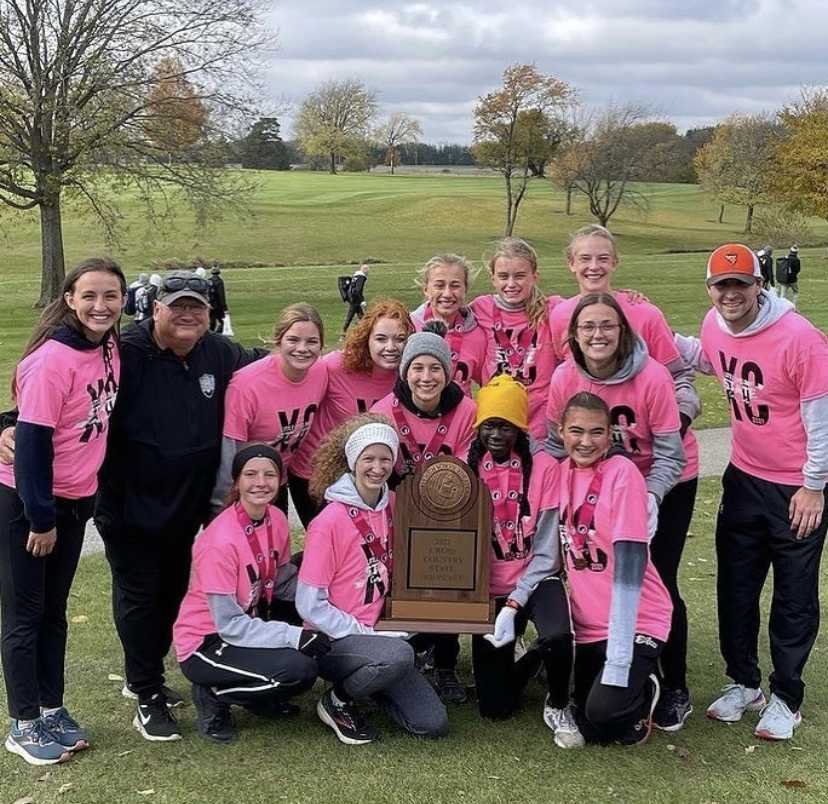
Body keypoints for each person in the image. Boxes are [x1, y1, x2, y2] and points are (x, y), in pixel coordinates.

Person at [93, 269, 267, 742]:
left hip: (187, 507)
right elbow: (70, 386)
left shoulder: (219, 352)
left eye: (198, 306)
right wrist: (10, 424)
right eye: (178, 306)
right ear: (156, 309)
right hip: (131, 504)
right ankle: (145, 690)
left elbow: (267, 368)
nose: (188, 314)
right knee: (141, 595)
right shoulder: (125, 353)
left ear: (210, 313)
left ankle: (145, 674)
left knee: (170, 592)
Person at [547, 225, 700, 731]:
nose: (597, 336)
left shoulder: (650, 375)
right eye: (587, 329)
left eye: (607, 328)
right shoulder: (567, 376)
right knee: (598, 575)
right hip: (598, 488)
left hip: (659, 481)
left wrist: (652, 496)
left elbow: (670, 452)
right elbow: (552, 443)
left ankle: (673, 685)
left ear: (623, 330)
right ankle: (615, 662)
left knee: (658, 579)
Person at [675, 243, 828, 741]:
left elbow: (820, 418)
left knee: (794, 594)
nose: (731, 293)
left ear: (759, 286)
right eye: (723, 284)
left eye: (742, 284)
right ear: (710, 288)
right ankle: (744, 682)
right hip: (743, 476)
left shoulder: (800, 338)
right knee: (736, 587)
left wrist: (814, 486)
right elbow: (709, 360)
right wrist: (647, 325)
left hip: (795, 486)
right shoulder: (713, 323)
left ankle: (787, 695)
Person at [0, 258, 125, 765]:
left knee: (54, 613)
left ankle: (51, 708)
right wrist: (42, 519)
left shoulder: (109, 346)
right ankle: (23, 723)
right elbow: (29, 445)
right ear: (70, 299)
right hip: (28, 504)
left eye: (111, 295)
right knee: (24, 615)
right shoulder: (54, 360)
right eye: (90, 295)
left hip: (74, 502)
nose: (101, 306)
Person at [296, 415, 449, 744]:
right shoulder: (329, 521)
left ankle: (374, 682)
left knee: (432, 724)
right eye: (368, 459)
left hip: (383, 634)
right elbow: (309, 605)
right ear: (353, 462)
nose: (377, 468)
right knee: (397, 656)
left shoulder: (394, 505)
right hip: (337, 639)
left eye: (385, 459)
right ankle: (337, 700)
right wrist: (366, 633)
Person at [174, 444, 325, 744]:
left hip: (250, 619)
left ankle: (259, 693)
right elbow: (229, 625)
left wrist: (329, 600)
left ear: (280, 481)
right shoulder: (219, 541)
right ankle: (214, 694)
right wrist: (295, 636)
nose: (260, 482)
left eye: (269, 474)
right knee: (299, 671)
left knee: (307, 652)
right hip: (208, 641)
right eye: (251, 474)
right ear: (237, 481)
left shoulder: (276, 519)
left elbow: (282, 583)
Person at [468, 376, 582, 748]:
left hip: (536, 579)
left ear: (520, 428)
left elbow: (548, 553)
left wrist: (516, 601)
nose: (496, 435)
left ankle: (560, 702)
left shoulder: (544, 467)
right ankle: (533, 658)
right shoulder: (463, 470)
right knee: (495, 709)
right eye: (489, 426)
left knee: (558, 635)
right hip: (488, 588)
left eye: (506, 426)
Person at [558, 392, 673, 746]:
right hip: (590, 626)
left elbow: (630, 570)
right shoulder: (561, 473)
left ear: (610, 435)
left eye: (596, 432)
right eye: (576, 431)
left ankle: (647, 683)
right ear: (561, 432)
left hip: (637, 619)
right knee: (585, 719)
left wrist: (620, 659)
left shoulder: (623, 474)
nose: (586, 442)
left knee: (603, 717)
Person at [371, 326, 477, 703]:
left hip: (446, 514)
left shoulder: (466, 410)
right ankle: (411, 654)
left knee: (446, 580)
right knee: (400, 586)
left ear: (447, 373)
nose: (426, 377)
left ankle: (446, 663)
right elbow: (372, 470)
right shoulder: (383, 411)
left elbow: (468, 467)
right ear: (405, 372)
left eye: (435, 368)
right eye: (417, 368)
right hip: (397, 515)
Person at [288, 299, 414, 527]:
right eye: (381, 339)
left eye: (400, 339)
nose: (391, 347)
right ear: (367, 339)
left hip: (370, 475)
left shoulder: (409, 376)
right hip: (316, 475)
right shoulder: (336, 366)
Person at [210, 303, 328, 520]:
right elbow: (229, 453)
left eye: (312, 341)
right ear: (278, 340)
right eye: (293, 340)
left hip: (280, 479)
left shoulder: (321, 372)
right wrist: (222, 509)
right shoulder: (247, 385)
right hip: (247, 487)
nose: (302, 348)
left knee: (277, 547)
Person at [469, 237, 562, 439]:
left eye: (520, 276)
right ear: (493, 278)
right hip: (497, 418)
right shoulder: (480, 308)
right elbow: (444, 311)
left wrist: (628, 298)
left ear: (534, 276)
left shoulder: (553, 309)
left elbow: (593, 306)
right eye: (503, 276)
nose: (511, 284)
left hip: (540, 420)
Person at [410, 254, 487, 396]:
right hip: (415, 416)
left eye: (455, 286)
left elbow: (488, 383)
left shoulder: (477, 334)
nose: (447, 293)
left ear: (466, 289)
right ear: (426, 289)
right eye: (439, 285)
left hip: (461, 416)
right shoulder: (409, 328)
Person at [342, 263, 369, 335]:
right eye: (367, 269)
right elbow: (358, 290)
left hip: (353, 298)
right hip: (355, 300)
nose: (368, 271)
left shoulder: (356, 276)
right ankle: (344, 332)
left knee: (361, 316)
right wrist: (362, 300)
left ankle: (364, 330)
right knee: (350, 315)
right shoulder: (361, 277)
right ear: (364, 270)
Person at [209, 265, 228, 332]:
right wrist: (224, 306)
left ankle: (210, 333)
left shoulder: (209, 281)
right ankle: (218, 334)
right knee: (221, 321)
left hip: (210, 304)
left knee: (212, 321)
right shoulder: (219, 281)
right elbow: (221, 295)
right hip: (218, 304)